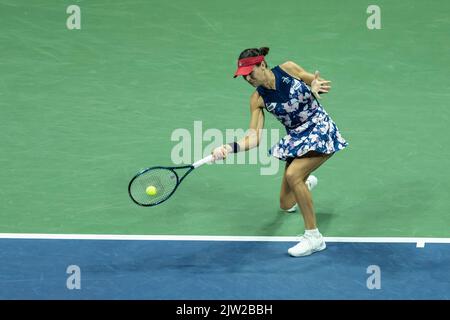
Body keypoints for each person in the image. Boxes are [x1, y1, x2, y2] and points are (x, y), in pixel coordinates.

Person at [211, 47, 348, 257]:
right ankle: (304, 183)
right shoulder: (257, 99)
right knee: (285, 204)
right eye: (243, 76)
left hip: (319, 127)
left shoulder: (288, 69)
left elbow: (312, 80)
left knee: (294, 175)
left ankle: (314, 237)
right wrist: (229, 148)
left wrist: (315, 84)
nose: (247, 78)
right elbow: (254, 137)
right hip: (296, 138)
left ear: (262, 65)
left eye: (251, 72)